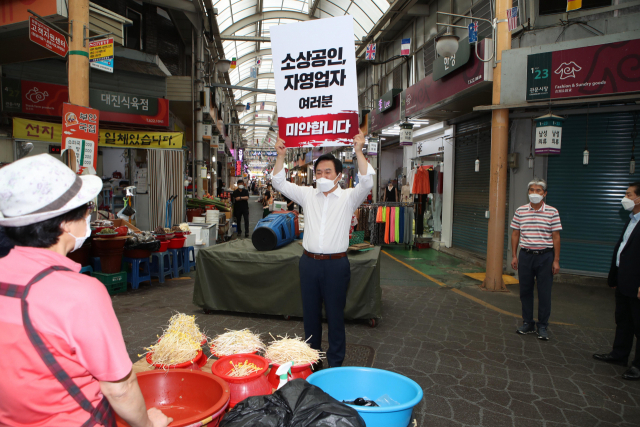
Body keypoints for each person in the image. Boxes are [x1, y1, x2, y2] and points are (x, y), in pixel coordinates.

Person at [0, 154, 172, 427]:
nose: (90, 216)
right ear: (66, 222)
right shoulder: (79, 293)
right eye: (87, 209)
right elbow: (119, 388)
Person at [273, 130, 373, 368]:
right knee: (310, 317)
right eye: (318, 172)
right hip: (308, 263)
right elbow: (278, 182)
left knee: (336, 317)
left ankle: (335, 364)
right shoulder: (308, 194)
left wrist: (358, 151)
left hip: (336, 265)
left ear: (339, 175)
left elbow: (367, 180)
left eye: (328, 171)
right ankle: (312, 363)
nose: (323, 175)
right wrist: (280, 156)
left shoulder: (349, 197)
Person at [593, 182, 640, 380]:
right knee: (623, 320)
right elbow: (622, 249)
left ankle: (638, 366)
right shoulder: (632, 219)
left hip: (637, 283)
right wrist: (614, 276)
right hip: (624, 279)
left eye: (629, 194)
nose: (625, 198)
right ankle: (619, 355)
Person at [510, 178, 562, 341]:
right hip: (525, 255)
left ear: (545, 194)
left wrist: (556, 260)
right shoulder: (520, 211)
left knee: (544, 293)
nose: (534, 193)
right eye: (531, 190)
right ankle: (528, 322)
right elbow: (515, 233)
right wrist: (514, 255)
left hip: (545, 257)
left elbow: (556, 237)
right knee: (525, 291)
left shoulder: (552, 212)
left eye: (538, 190)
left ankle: (543, 326)